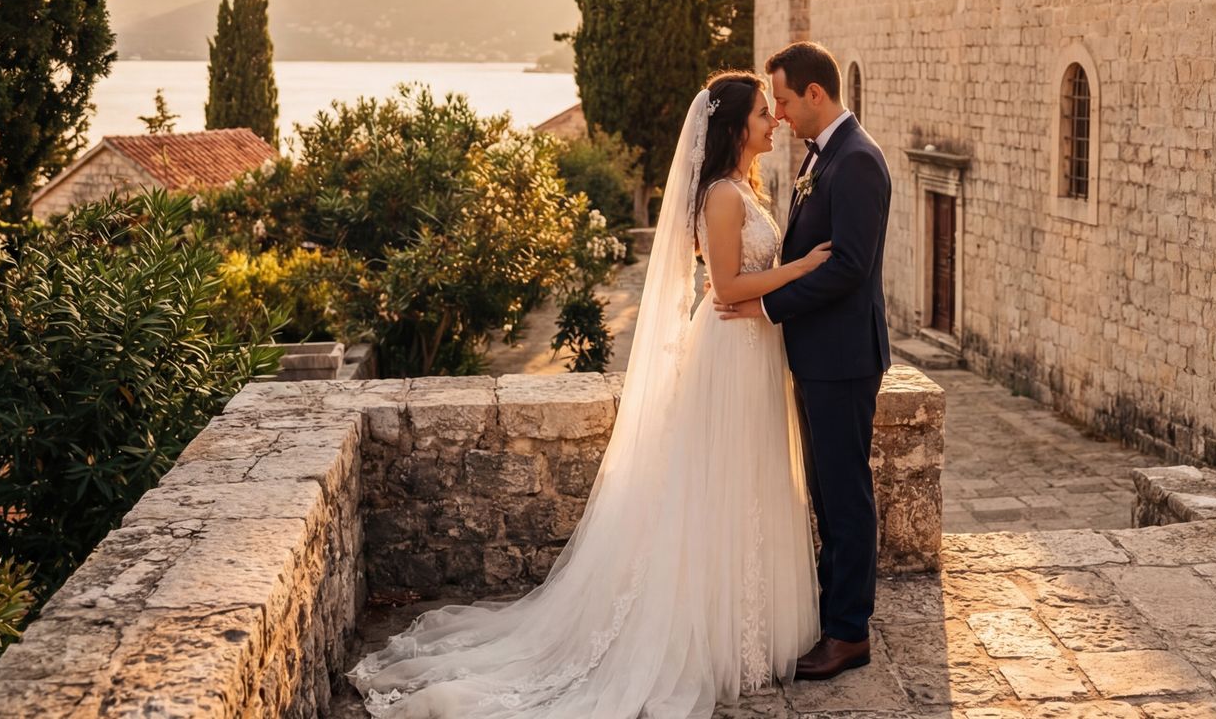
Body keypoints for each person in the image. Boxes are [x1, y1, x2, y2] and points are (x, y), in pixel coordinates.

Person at [347, 69, 828, 718]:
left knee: (746, 482)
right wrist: (801, 268)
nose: (774, 122)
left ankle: (746, 625)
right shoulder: (720, 194)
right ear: (736, 126)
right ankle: (708, 634)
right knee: (720, 484)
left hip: (754, 350)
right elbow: (724, 286)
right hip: (729, 353)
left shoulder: (745, 186)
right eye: (764, 113)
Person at [716, 41, 892, 680]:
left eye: (785, 100)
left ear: (816, 93)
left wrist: (767, 307)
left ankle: (849, 633)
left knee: (845, 495)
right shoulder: (824, 155)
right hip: (818, 355)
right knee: (825, 489)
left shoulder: (858, 161)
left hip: (843, 357)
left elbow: (848, 267)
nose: (781, 114)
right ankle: (831, 609)